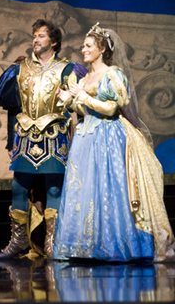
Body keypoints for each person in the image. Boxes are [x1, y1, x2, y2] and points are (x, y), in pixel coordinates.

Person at [53, 23, 175, 261]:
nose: (84, 49)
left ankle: (116, 245)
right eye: (84, 46)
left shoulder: (113, 74)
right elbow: (84, 107)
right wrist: (69, 99)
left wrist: (82, 96)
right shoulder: (88, 76)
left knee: (109, 189)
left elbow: (111, 108)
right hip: (86, 138)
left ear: (101, 48)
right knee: (86, 190)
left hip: (107, 137)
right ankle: (86, 246)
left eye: (88, 46)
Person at [0, 19, 87, 260]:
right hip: (25, 135)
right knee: (18, 187)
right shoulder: (21, 68)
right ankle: (19, 240)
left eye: (41, 36)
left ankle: (54, 240)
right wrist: (11, 71)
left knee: (54, 187)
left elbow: (81, 104)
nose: (35, 39)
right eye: (34, 35)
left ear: (54, 42)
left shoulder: (68, 69)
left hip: (54, 135)